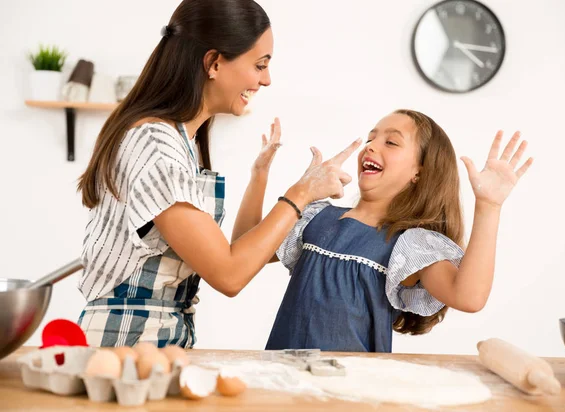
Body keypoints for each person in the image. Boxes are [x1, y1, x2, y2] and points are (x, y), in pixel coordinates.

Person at [75, 0, 360, 348]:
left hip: (153, 340)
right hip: (125, 345)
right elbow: (229, 274)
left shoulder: (182, 140)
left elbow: (237, 250)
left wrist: (260, 178)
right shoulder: (156, 144)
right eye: (260, 65)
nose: (266, 80)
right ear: (213, 63)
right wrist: (302, 192)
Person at [263, 109, 534, 352]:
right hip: (281, 383)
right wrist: (259, 174)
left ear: (419, 172)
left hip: (352, 394)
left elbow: (469, 298)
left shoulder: (410, 244)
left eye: (391, 142)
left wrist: (488, 206)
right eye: (370, 139)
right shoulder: (315, 216)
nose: (370, 147)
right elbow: (250, 248)